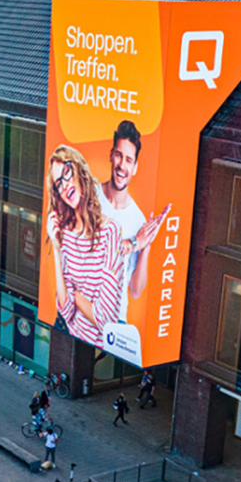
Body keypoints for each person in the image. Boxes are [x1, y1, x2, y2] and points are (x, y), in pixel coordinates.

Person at [44, 146, 123, 350]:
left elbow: (106, 320)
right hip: (70, 337)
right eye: (58, 184)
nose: (64, 185)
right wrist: (56, 246)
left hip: (102, 348)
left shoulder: (110, 232)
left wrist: (76, 294)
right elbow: (65, 310)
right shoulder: (66, 235)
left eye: (67, 172)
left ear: (79, 170)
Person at [98, 121, 172, 324]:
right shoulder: (90, 198)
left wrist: (146, 246)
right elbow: (91, 252)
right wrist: (134, 244)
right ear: (111, 155)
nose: (122, 165)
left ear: (135, 167)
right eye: (119, 156)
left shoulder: (138, 220)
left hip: (116, 322)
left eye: (129, 160)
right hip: (83, 312)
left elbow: (135, 291)